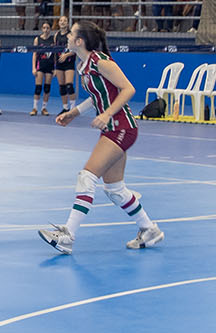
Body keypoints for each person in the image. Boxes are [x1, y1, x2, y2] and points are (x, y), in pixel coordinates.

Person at [38, 21, 164, 255]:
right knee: (115, 188)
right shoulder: (83, 65)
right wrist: (73, 113)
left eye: (71, 33)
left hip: (122, 127)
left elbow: (128, 89)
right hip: (113, 128)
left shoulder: (101, 62)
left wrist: (107, 114)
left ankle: (67, 236)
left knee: (86, 177)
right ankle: (149, 229)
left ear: (80, 41)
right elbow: (97, 96)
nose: (67, 36)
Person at [31, 20, 57, 115]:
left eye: (48, 28)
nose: (46, 30)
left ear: (50, 29)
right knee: (38, 88)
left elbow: (55, 55)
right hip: (40, 65)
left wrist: (55, 68)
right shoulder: (37, 39)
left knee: (47, 88)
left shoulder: (53, 40)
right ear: (42, 29)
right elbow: (34, 54)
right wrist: (34, 67)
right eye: (44, 28)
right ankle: (35, 108)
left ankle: (44, 108)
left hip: (49, 66)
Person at [55, 14, 77, 111]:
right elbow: (55, 51)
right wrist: (55, 66)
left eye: (64, 21)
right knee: (62, 87)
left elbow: (75, 50)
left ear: (68, 23)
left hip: (69, 62)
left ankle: (72, 108)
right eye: (61, 20)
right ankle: (65, 108)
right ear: (58, 23)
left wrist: (66, 55)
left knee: (69, 85)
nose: (62, 22)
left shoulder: (71, 35)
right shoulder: (56, 35)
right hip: (59, 63)